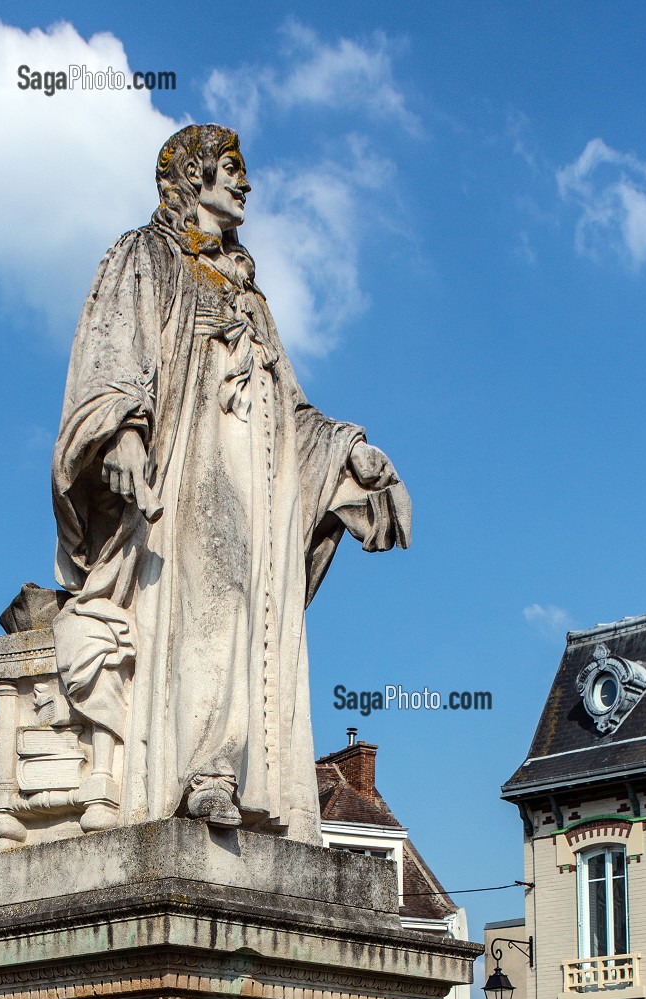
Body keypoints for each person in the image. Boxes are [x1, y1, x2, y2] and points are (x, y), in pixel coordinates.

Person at [51, 124, 410, 842]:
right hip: (184, 477)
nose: (243, 183)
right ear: (189, 178)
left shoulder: (251, 294)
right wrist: (121, 430)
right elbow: (109, 356)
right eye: (229, 169)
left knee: (253, 611)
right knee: (212, 601)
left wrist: (348, 456)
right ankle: (202, 772)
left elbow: (294, 410)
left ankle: (254, 783)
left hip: (256, 487)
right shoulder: (144, 257)